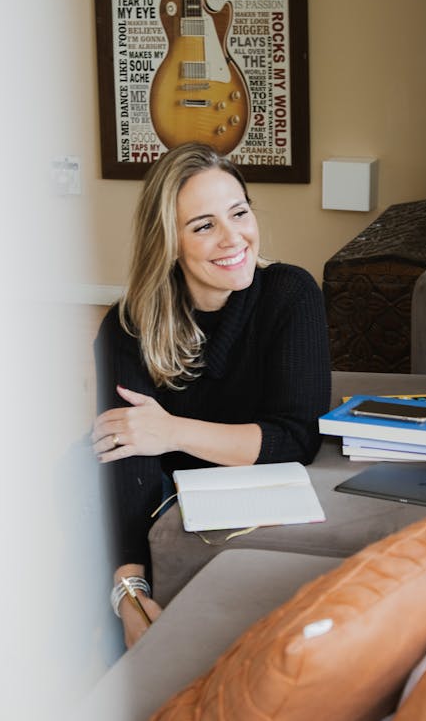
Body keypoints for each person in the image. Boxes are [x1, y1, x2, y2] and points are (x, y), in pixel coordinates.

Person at [92, 142, 331, 648]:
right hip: (152, 490)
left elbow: (295, 438)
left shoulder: (290, 294)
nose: (233, 237)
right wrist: (127, 592)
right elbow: (126, 462)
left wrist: (170, 431)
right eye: (203, 225)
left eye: (239, 213)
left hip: (226, 498)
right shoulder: (127, 325)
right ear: (169, 243)